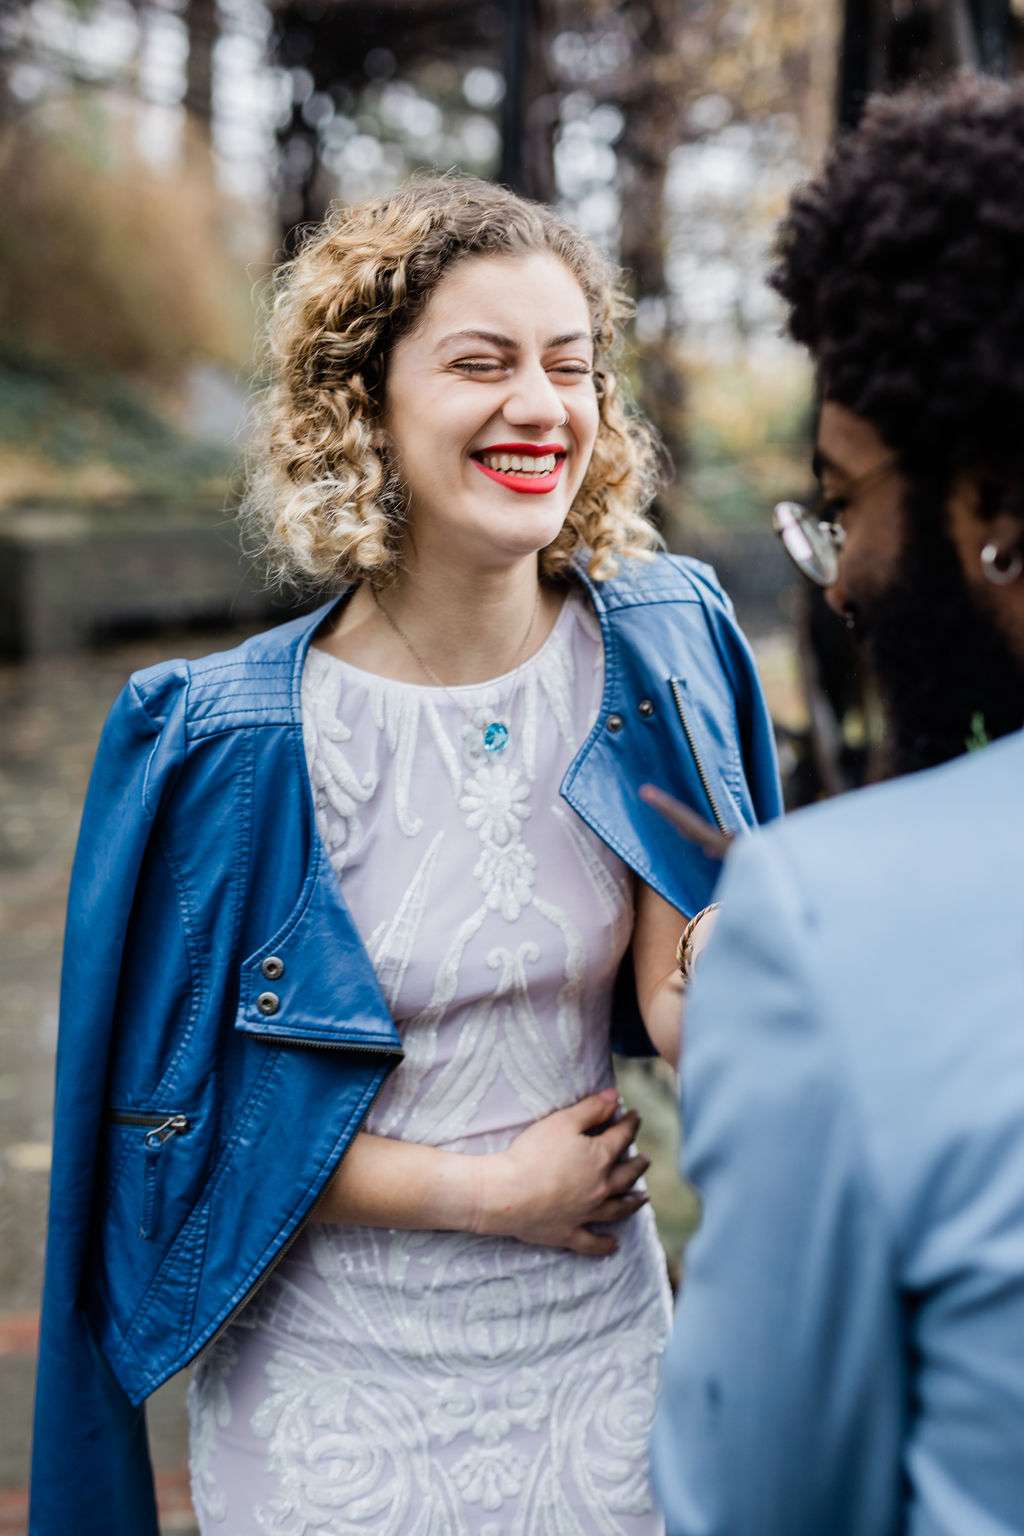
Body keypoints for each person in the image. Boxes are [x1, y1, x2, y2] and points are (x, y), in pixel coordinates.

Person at [29, 176, 781, 1536]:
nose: (540, 405)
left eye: (570, 365)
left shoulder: (661, 644)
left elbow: (688, 1008)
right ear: (364, 405)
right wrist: (486, 1193)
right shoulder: (225, 739)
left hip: (604, 1373)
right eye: (481, 364)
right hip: (332, 1403)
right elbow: (181, 1127)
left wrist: (743, 975)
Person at [651, 74, 1024, 1536]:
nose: (846, 573)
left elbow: (760, 1503)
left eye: (847, 499)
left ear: (997, 510)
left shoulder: (824, 923)